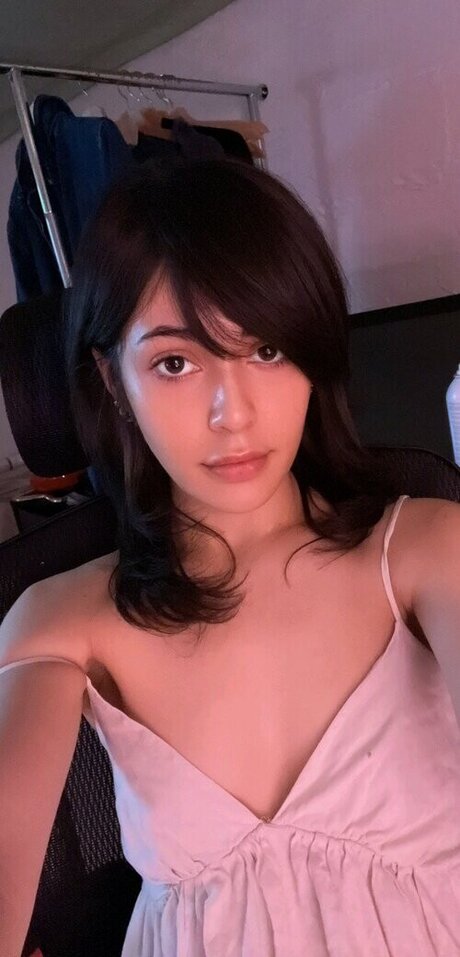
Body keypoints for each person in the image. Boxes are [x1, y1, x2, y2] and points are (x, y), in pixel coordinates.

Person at [1, 158, 460, 957]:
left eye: (268, 349)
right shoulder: (61, 617)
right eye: (176, 363)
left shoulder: (426, 550)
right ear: (114, 380)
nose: (233, 412)